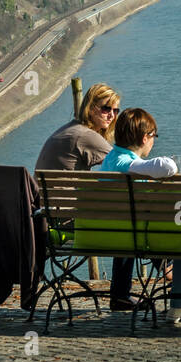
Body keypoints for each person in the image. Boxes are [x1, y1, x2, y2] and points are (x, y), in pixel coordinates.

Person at [101, 108, 181, 326]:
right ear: (144, 137)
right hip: (133, 238)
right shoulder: (125, 164)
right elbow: (167, 166)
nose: (153, 142)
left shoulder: (111, 159)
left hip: (111, 233)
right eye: (153, 137)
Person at [34, 83, 136, 313]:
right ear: (91, 109)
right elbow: (126, 166)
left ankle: (126, 292)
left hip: (48, 219)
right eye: (106, 108)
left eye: (116, 110)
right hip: (68, 226)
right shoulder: (85, 136)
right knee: (132, 226)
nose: (112, 115)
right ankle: (122, 294)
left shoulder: (70, 129)